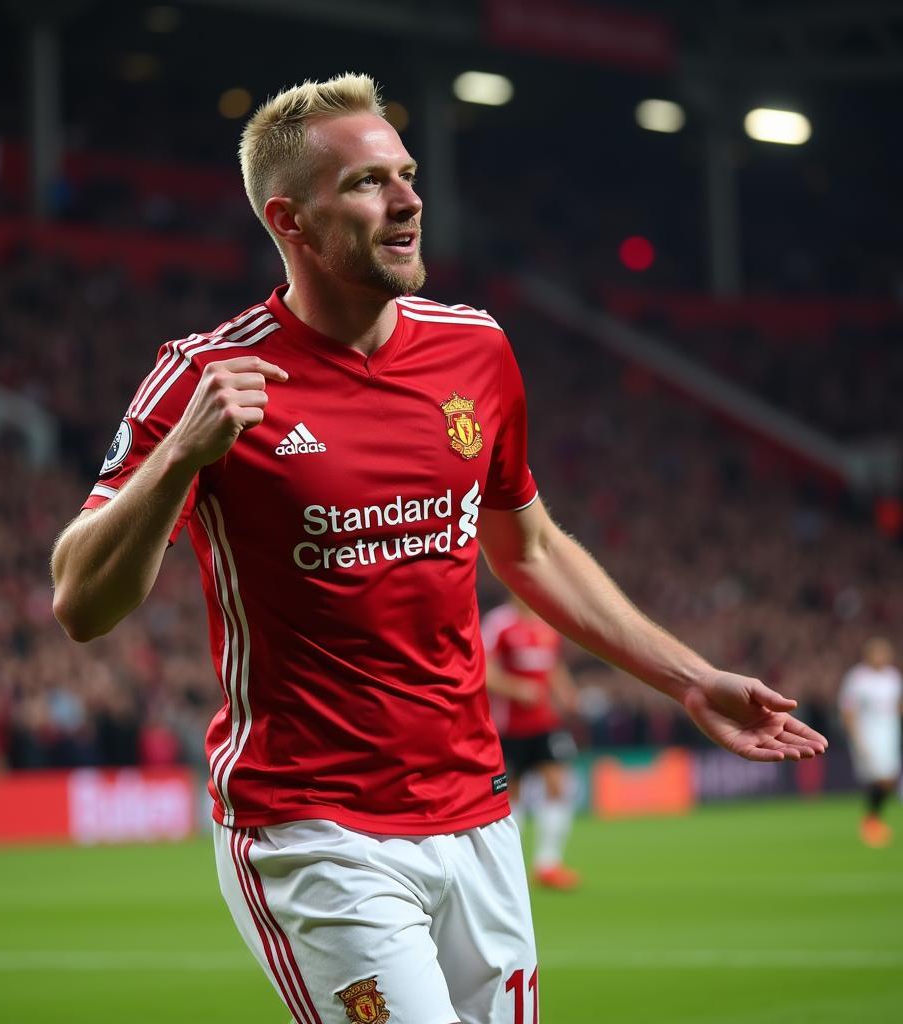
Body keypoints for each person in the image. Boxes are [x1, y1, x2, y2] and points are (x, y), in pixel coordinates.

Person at [51, 73, 828, 1024]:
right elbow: (81, 603)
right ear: (291, 219)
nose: (410, 199)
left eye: (408, 174)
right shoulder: (206, 375)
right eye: (370, 182)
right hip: (314, 826)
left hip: (477, 816)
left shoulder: (475, 351)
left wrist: (688, 677)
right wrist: (177, 456)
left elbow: (530, 547)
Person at [483, 597, 581, 890]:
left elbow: (552, 665)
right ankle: (508, 867)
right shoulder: (500, 623)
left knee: (557, 786)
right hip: (509, 726)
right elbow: (482, 668)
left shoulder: (546, 623)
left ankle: (548, 866)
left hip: (544, 723)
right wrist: (515, 689)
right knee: (510, 796)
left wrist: (566, 693)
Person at [839, 637, 901, 847]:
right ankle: (871, 823)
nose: (882, 657)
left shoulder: (893, 677)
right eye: (878, 652)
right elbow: (848, 710)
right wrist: (856, 738)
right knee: (882, 778)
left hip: (890, 734)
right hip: (869, 735)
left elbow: (897, 706)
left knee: (889, 779)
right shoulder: (857, 678)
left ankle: (872, 820)